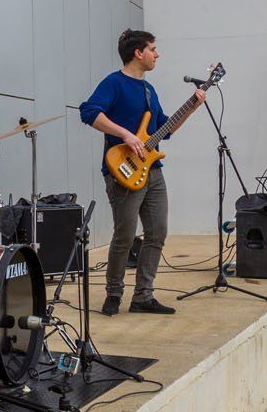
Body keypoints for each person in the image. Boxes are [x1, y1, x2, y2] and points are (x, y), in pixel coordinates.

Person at [79, 29, 204, 316]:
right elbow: (89, 112)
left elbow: (166, 129)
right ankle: (114, 293)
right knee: (125, 236)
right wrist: (126, 135)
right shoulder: (113, 83)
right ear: (138, 52)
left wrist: (192, 107)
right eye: (152, 49)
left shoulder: (149, 90)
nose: (156, 54)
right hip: (122, 169)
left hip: (153, 171)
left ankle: (143, 296)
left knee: (157, 232)